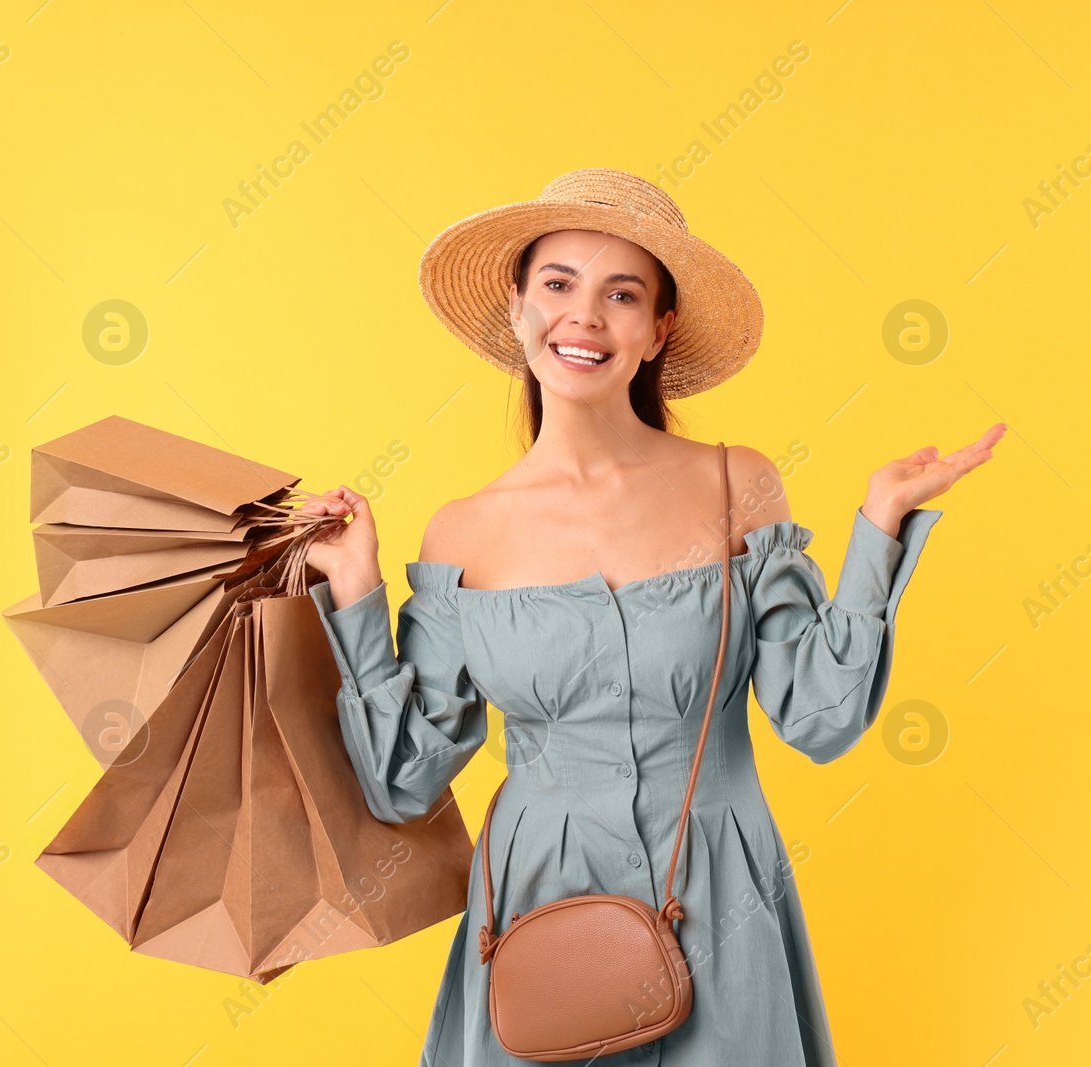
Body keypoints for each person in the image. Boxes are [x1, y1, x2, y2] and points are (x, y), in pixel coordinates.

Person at [301, 168, 1006, 1066]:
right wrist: (358, 593)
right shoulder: (462, 531)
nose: (584, 317)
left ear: (658, 328)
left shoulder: (735, 484)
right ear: (519, 309)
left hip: (720, 887)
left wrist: (880, 528)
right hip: (535, 903)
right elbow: (404, 777)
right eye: (558, 284)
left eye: (621, 294)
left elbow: (820, 717)